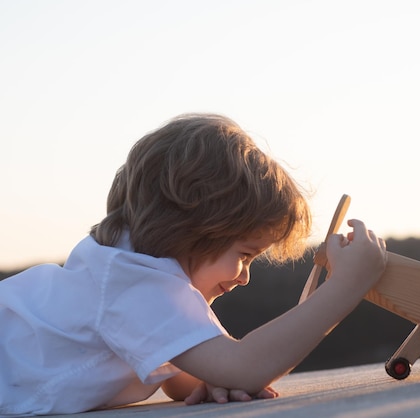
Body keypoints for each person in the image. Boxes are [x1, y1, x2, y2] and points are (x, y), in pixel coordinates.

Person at [0, 113, 387, 416]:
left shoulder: (131, 274)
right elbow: (246, 366)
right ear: (193, 229)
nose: (245, 277)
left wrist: (212, 375)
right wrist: (345, 286)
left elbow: (182, 378)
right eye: (244, 255)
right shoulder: (135, 284)